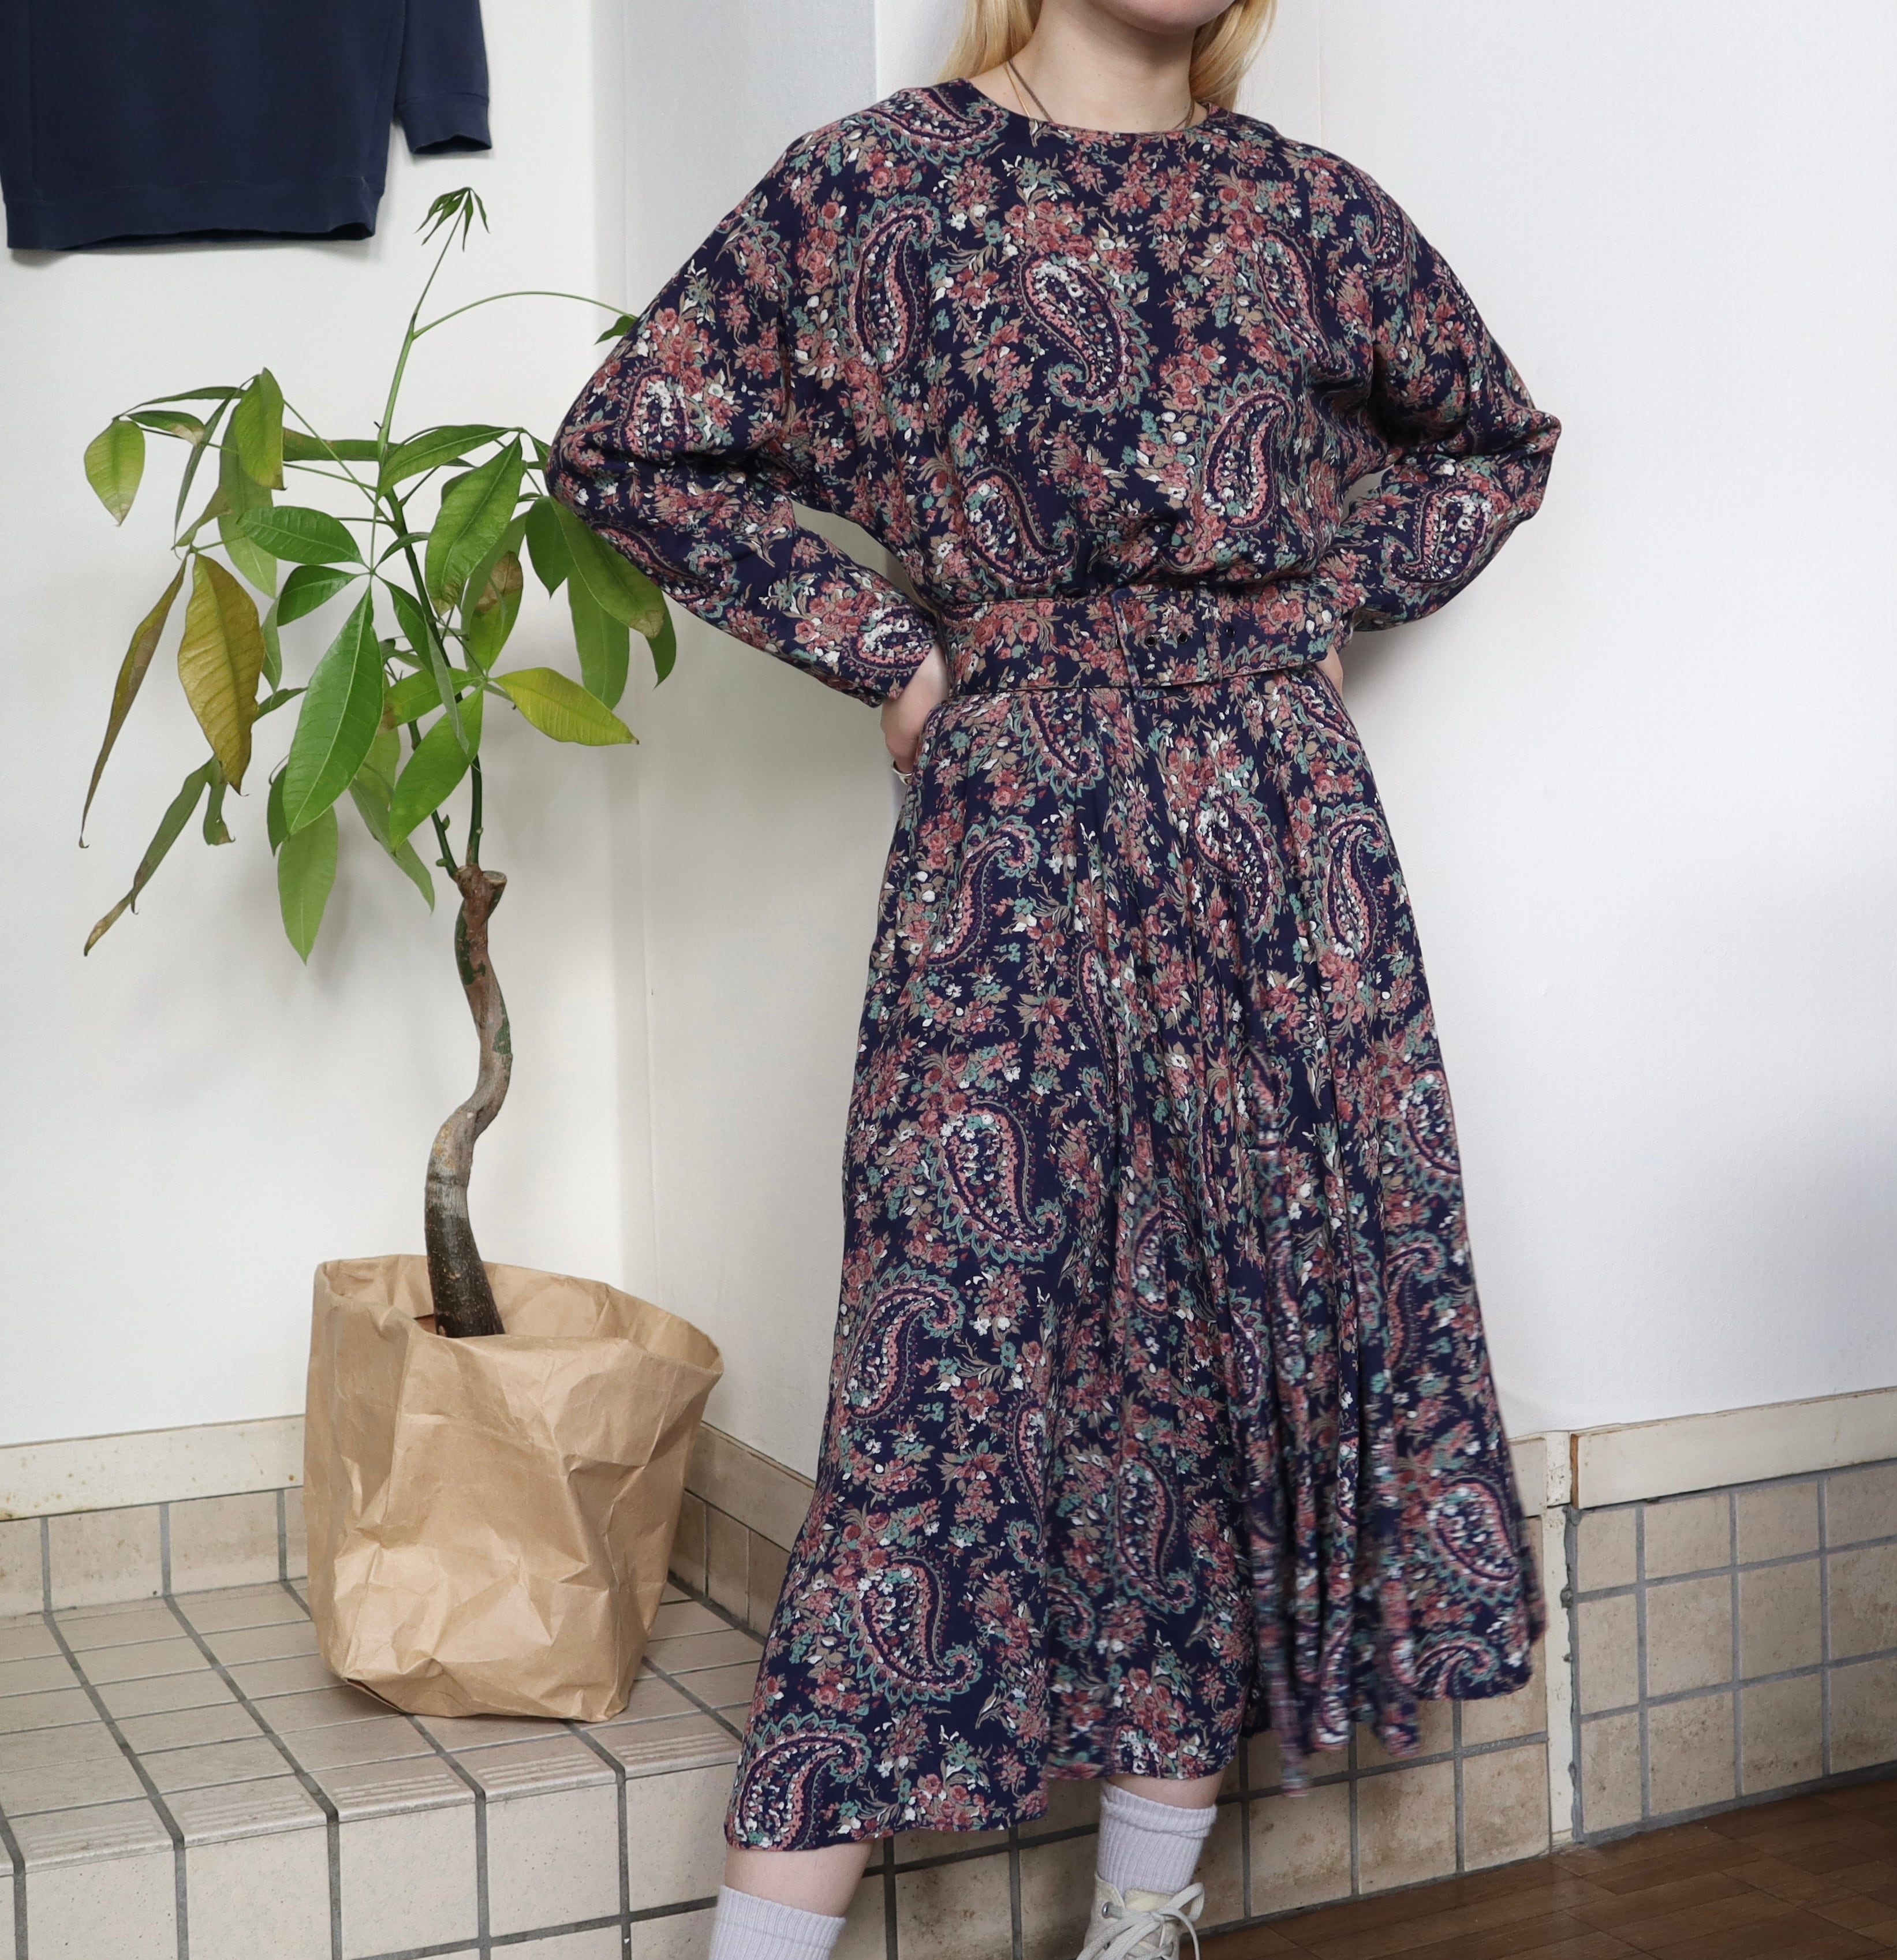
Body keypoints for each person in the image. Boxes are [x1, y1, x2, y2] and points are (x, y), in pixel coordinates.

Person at [550, 1, 1559, 1955]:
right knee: (944, 1357)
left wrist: (1313, 606)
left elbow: (1495, 442)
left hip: (1277, 840)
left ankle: (1142, 1915)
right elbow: (630, 446)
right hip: (1014, 823)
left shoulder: (1307, 208)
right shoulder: (879, 182)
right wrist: (888, 648)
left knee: (1228, 1340)